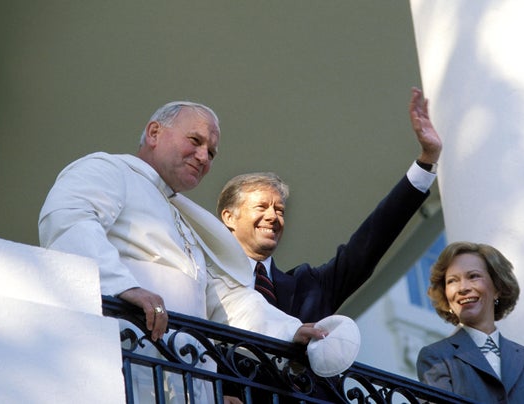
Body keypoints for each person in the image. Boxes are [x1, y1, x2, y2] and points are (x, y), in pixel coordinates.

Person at [38, 101, 325, 403]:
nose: (203, 156)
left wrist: (291, 331)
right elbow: (67, 220)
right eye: (195, 141)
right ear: (154, 133)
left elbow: (225, 303)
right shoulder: (110, 169)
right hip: (120, 365)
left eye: (211, 152)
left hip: (183, 384)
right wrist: (124, 287)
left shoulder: (186, 221)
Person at [217, 87, 441, 323]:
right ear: (229, 217)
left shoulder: (309, 287)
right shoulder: (204, 273)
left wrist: (427, 160)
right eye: (261, 207)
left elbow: (372, 240)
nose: (273, 216)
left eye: (279, 210)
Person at [416, 241, 524, 403]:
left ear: (497, 288)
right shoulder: (436, 357)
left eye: (473, 276)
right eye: (452, 281)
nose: (463, 288)